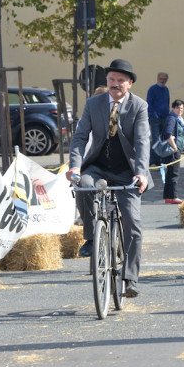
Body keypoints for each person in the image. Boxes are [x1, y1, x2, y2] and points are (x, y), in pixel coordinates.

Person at [67, 59, 153, 298]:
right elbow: (80, 137)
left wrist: (141, 173)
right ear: (107, 81)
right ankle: (92, 237)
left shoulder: (139, 106)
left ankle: (131, 279)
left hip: (127, 170)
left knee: (133, 224)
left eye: (120, 81)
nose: (115, 85)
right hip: (98, 167)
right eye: (112, 80)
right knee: (83, 185)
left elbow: (143, 142)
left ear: (130, 83)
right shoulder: (93, 104)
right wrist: (75, 167)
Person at [161, 99, 184, 204]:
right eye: (178, 107)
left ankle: (168, 197)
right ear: (173, 108)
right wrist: (175, 147)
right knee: (174, 174)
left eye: (181, 108)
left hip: (176, 149)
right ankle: (173, 196)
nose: (180, 110)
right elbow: (168, 134)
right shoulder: (172, 118)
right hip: (174, 150)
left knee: (170, 173)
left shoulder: (178, 119)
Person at [147, 72, 171, 166]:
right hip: (155, 118)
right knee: (156, 139)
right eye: (161, 78)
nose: (163, 80)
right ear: (157, 78)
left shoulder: (166, 89)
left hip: (165, 117)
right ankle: (153, 161)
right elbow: (149, 102)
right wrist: (154, 114)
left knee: (162, 139)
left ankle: (160, 160)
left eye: (165, 79)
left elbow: (167, 102)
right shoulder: (152, 89)